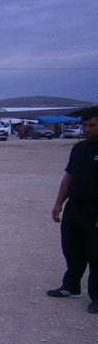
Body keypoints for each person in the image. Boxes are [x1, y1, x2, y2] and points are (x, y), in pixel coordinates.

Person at [48, 107, 98, 314]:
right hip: (75, 208)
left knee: (96, 255)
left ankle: (97, 297)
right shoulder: (79, 148)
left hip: (95, 211)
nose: (87, 129)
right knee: (72, 249)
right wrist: (59, 203)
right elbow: (69, 176)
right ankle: (71, 286)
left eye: (92, 125)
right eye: (84, 125)